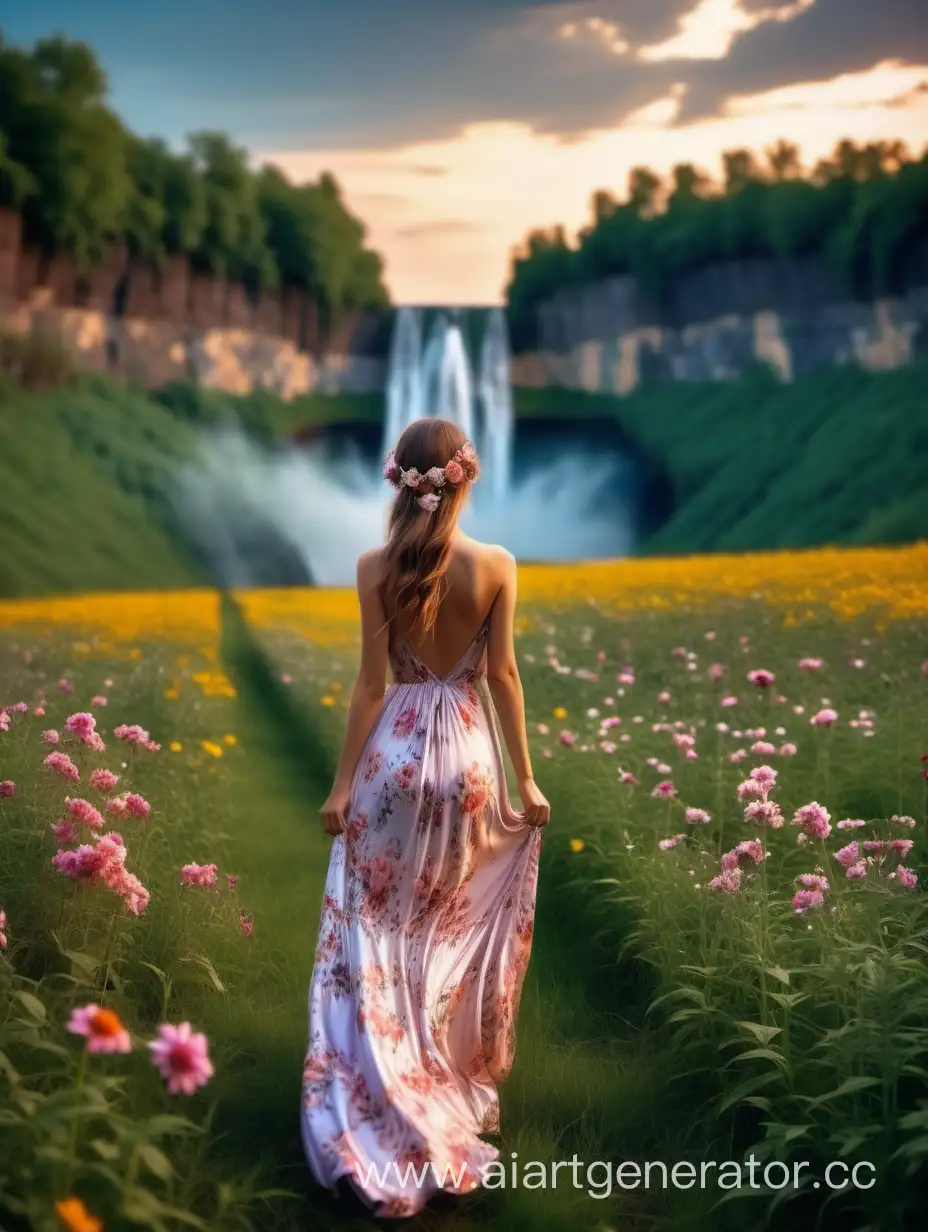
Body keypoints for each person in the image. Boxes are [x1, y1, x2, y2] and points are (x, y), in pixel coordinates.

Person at [300, 417, 549, 1217]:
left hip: (393, 763)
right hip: (467, 764)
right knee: (443, 927)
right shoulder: (499, 565)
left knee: (375, 928)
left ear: (400, 478)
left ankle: (378, 1088)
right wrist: (524, 782)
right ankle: (438, 1073)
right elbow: (502, 677)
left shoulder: (376, 566)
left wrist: (342, 788)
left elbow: (371, 686)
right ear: (463, 478)